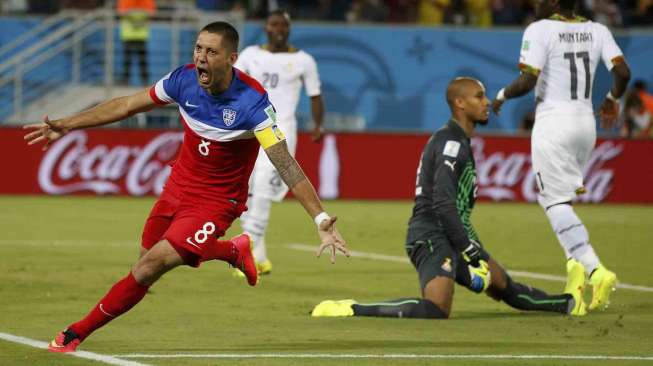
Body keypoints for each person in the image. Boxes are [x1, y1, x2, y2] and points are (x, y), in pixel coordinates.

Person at [23, 21, 349, 353]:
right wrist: (66, 124)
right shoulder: (182, 81)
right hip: (177, 188)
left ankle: (75, 333)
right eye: (198, 49)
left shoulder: (253, 103)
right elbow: (125, 105)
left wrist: (321, 220)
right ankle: (230, 250)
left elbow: (286, 163)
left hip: (216, 202)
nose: (201, 58)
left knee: (149, 266)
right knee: (145, 261)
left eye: (211, 51)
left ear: (231, 58)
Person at [311, 77, 585, 319]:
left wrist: (467, 246)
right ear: (460, 103)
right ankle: (351, 309)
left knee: (505, 287)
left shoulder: (458, 140)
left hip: (455, 234)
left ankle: (569, 303)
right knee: (437, 307)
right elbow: (442, 203)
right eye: (479, 96)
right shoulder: (450, 143)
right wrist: (468, 249)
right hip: (431, 234)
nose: (487, 102)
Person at [491, 0, 630, 311]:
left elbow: (527, 80)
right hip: (585, 124)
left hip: (554, 122)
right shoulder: (597, 29)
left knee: (553, 202)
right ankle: (575, 283)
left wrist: (500, 96)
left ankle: (595, 270)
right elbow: (622, 72)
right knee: (558, 201)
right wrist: (610, 99)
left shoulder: (540, 29)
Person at [233, 10, 325, 275]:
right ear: (266, 27)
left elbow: (315, 95)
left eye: (283, 25)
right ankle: (257, 255)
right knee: (245, 192)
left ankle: (245, 251)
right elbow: (231, 85)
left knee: (263, 189)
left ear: (289, 28)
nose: (279, 29)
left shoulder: (304, 60)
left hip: (282, 130)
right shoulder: (251, 55)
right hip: (249, 129)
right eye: (274, 24)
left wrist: (317, 125)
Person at [117, 0, 155, 86]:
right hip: (129, 35)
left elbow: (152, 13)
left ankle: (144, 81)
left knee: (141, 60)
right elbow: (120, 12)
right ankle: (127, 81)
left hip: (139, 35)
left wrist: (130, 15)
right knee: (128, 60)